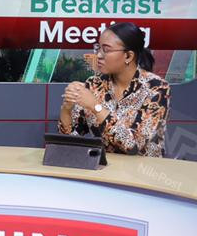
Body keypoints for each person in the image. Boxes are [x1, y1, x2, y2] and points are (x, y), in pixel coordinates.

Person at [58, 21, 170, 158]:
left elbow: (133, 146)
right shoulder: (93, 84)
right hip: (102, 167)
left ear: (128, 56)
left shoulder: (156, 88)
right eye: (98, 48)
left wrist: (96, 106)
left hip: (142, 169)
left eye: (106, 50)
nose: (99, 55)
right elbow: (70, 142)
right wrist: (66, 109)